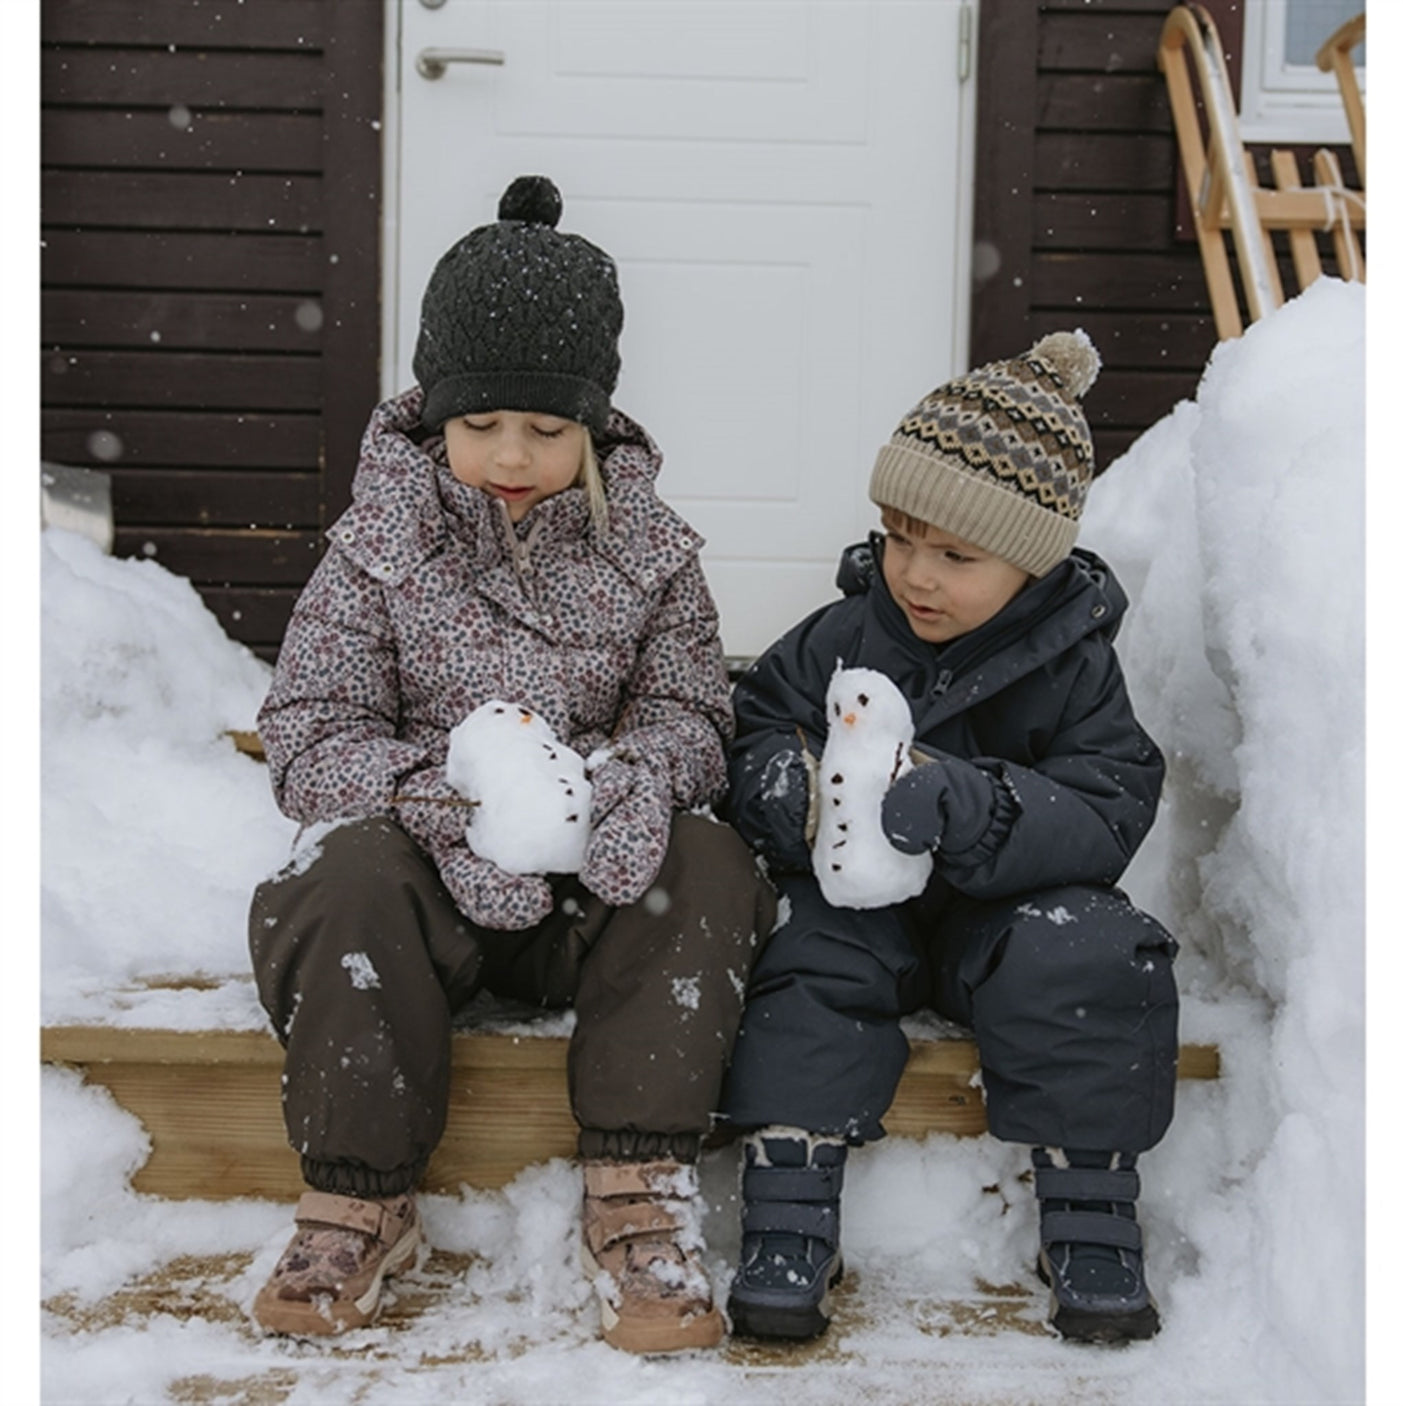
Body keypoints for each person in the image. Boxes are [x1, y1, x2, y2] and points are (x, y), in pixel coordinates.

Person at [246, 175, 775, 1355]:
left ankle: (637, 1192)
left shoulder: (650, 552)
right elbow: (313, 727)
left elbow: (691, 709)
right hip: (425, 886)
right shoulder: (374, 551)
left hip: (597, 889)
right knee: (339, 870)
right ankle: (358, 1194)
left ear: (595, 425)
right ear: (437, 417)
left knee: (709, 858)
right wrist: (446, 797)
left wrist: (627, 781)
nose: (512, 455)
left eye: (545, 428)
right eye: (483, 425)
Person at [718, 332, 1179, 1346]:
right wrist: (796, 794)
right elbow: (754, 727)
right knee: (801, 947)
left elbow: (1106, 805)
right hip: (857, 907)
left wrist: (975, 805)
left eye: (954, 554)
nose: (915, 573)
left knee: (1090, 944)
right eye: (897, 537)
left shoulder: (1073, 668)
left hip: (1000, 912)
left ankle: (1091, 1207)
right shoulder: (840, 635)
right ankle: (789, 1204)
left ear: (1032, 557)